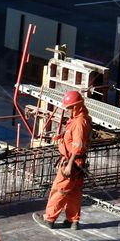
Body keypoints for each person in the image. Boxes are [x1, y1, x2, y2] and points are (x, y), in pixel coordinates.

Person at [42, 90, 92, 230]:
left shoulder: (79, 123)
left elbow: (77, 146)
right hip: (78, 163)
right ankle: (73, 220)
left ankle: (49, 219)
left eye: (70, 108)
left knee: (60, 190)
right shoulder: (80, 120)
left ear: (76, 106)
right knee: (74, 192)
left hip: (72, 163)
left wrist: (69, 165)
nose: (68, 110)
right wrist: (62, 137)